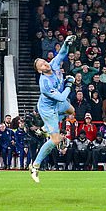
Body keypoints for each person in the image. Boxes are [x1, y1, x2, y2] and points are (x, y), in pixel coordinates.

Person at [29, 34, 77, 183]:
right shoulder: (45, 84)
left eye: (44, 62)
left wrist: (66, 43)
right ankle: (35, 165)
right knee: (55, 140)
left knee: (71, 111)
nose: (45, 64)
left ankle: (44, 128)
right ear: (39, 71)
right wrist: (69, 84)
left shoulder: (54, 65)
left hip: (56, 105)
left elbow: (62, 53)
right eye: (42, 65)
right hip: (47, 109)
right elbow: (62, 97)